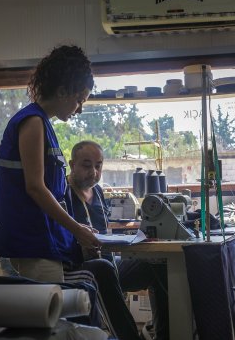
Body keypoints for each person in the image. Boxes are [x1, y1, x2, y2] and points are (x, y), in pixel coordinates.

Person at [0, 45, 141, 340]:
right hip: (31, 244)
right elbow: (35, 187)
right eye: (79, 99)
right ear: (63, 90)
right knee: (49, 328)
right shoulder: (32, 122)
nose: (79, 107)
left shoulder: (43, 124)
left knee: (60, 324)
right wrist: (78, 229)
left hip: (44, 244)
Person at [66, 140, 169, 340]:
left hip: (109, 260)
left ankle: (164, 334)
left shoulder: (97, 191)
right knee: (102, 268)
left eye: (98, 166)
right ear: (72, 165)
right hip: (79, 266)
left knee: (157, 263)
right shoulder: (62, 193)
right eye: (87, 166)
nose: (94, 172)